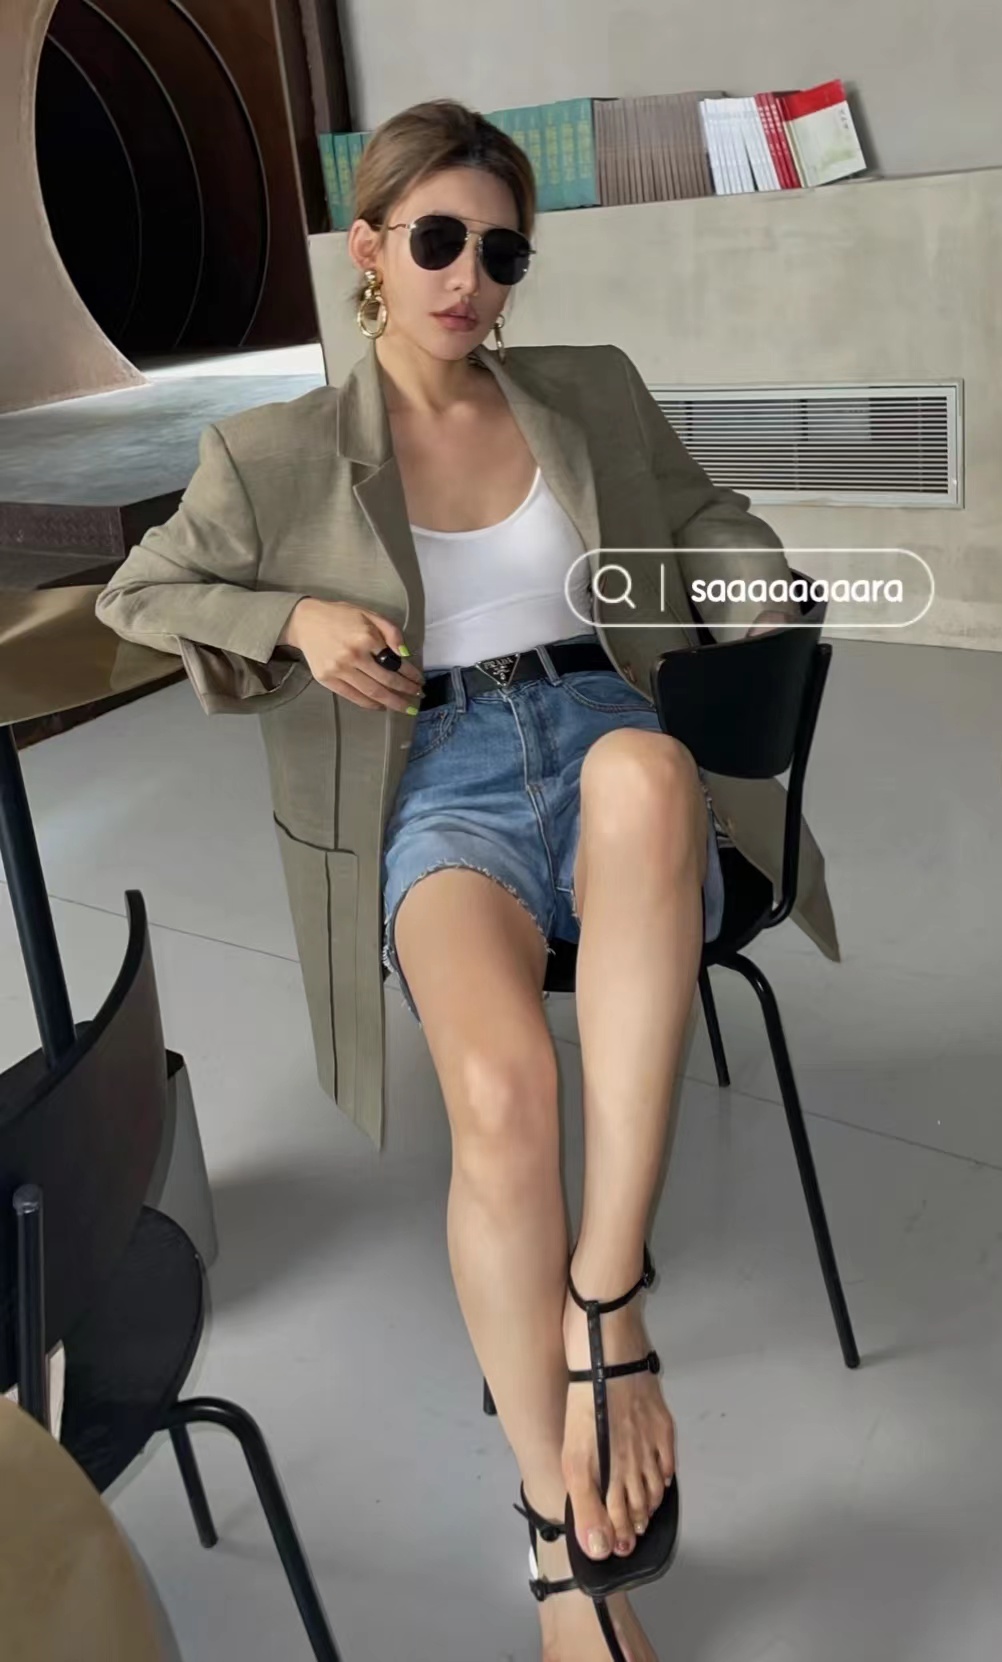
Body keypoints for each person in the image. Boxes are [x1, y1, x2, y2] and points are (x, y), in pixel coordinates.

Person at [96, 98, 839, 1662]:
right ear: (370, 249)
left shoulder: (587, 389)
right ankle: (564, 1548)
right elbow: (143, 589)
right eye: (437, 240)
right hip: (431, 782)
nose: (469, 279)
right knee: (499, 1096)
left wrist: (754, 579)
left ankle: (607, 1307)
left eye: (501, 254)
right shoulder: (277, 453)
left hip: (607, 727)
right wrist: (294, 617)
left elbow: (702, 511)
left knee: (648, 773)